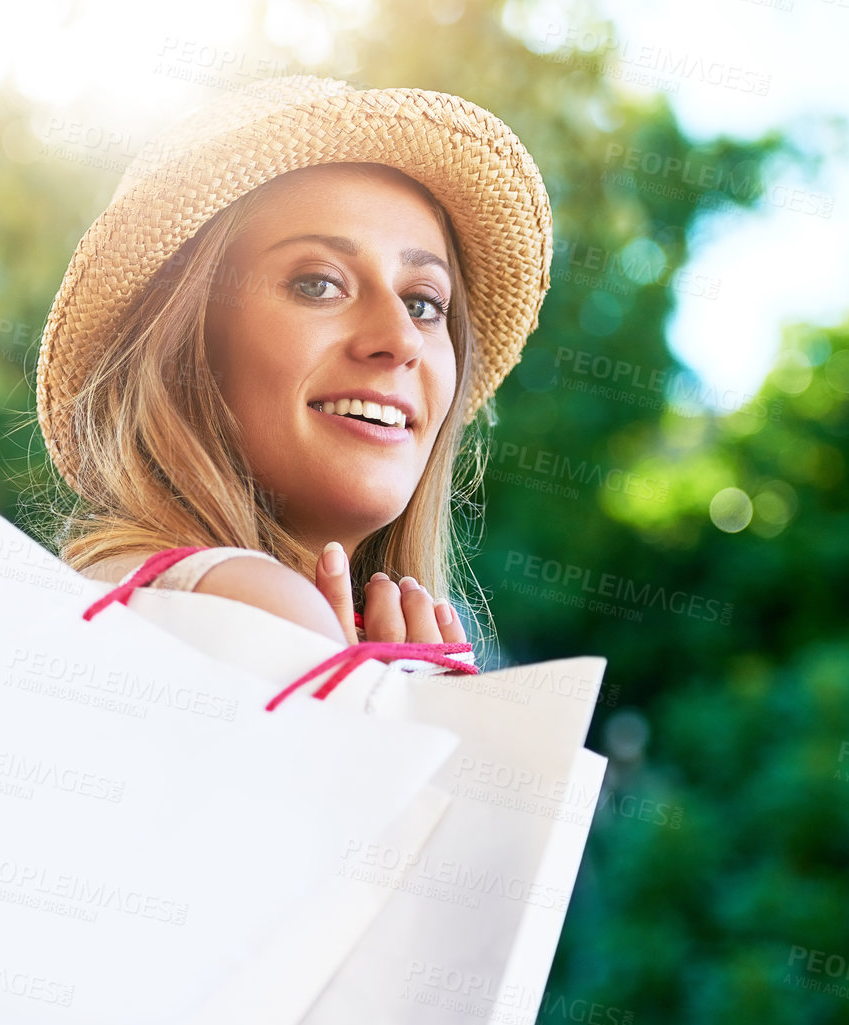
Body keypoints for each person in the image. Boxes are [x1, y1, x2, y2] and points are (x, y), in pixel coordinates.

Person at [29, 77, 553, 672]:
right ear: (183, 349)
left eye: (424, 303)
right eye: (318, 284)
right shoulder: (257, 606)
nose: (402, 338)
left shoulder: (98, 596)